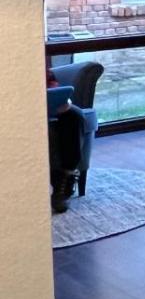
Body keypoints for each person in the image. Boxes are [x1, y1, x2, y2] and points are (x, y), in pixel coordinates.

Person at [48, 68, 82, 214]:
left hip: (47, 107)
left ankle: (64, 181)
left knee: (73, 115)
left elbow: (51, 82)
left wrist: (62, 100)